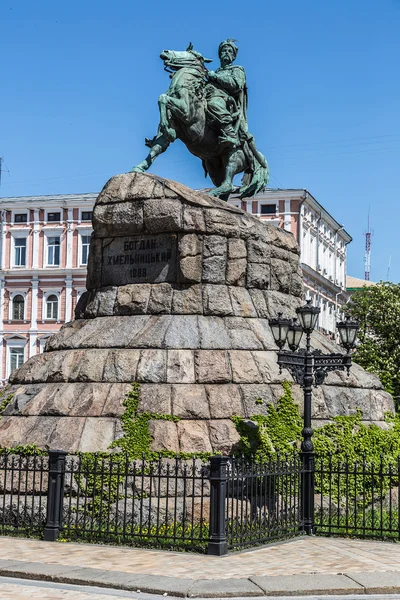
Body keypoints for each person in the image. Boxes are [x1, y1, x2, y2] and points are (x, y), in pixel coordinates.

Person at [206, 39, 247, 149]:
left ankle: (231, 135)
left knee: (214, 104)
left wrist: (216, 77)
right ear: (219, 55)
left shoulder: (237, 69)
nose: (227, 53)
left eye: (230, 51)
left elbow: (237, 85)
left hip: (225, 100)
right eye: (224, 51)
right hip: (208, 96)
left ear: (233, 56)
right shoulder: (215, 72)